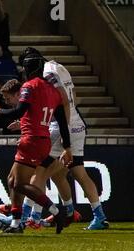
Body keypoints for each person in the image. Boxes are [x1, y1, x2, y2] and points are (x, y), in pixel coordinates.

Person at [17, 48, 109, 230]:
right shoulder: (59, 67)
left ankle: (28, 216)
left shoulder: (46, 72)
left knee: (39, 172)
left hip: (62, 127)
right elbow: (73, 95)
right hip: (77, 124)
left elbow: (64, 100)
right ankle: (95, 215)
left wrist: (62, 126)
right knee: (74, 173)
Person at [0, 54, 73, 234]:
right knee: (12, 180)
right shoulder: (54, 91)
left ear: (28, 70)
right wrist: (67, 147)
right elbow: (62, 123)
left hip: (32, 140)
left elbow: (19, 110)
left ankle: (55, 211)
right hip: (43, 140)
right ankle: (16, 223)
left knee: (19, 184)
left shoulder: (29, 86)